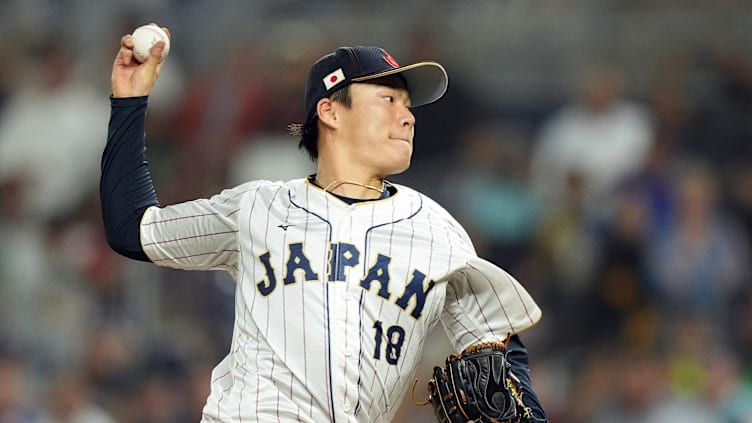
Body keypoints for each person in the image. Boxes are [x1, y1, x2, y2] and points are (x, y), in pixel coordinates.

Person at [101, 24, 548, 423]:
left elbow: (497, 351)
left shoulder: (438, 231)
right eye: (388, 99)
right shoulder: (258, 207)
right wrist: (130, 99)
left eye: (409, 104)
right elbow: (134, 227)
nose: (408, 116)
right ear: (331, 112)